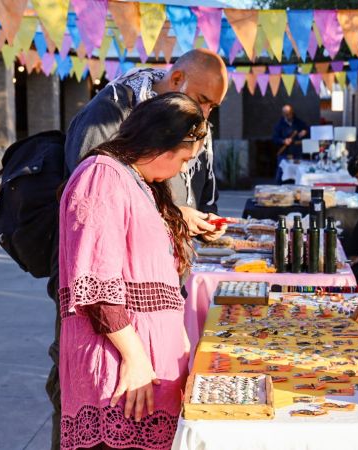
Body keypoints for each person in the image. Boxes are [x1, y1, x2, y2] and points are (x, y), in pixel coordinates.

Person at [48, 49, 228, 450]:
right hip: (120, 371)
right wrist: (136, 357)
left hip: (145, 369)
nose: (184, 170)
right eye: (184, 159)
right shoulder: (101, 177)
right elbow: (97, 286)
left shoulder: (137, 181)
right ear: (160, 145)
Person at [65, 48, 228, 238]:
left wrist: (205, 222)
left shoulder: (196, 120)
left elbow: (204, 193)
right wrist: (172, 215)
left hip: (168, 257)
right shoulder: (113, 108)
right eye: (202, 100)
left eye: (213, 107)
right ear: (176, 79)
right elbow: (90, 196)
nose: (206, 113)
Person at [271, 104, 308, 183]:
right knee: (281, 173)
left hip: (297, 152)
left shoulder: (298, 122)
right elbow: (275, 139)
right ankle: (280, 190)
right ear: (283, 114)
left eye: (290, 113)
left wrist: (304, 132)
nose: (289, 116)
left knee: (298, 173)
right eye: (286, 114)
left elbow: (307, 129)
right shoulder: (279, 125)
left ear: (292, 112)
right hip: (284, 153)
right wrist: (283, 141)